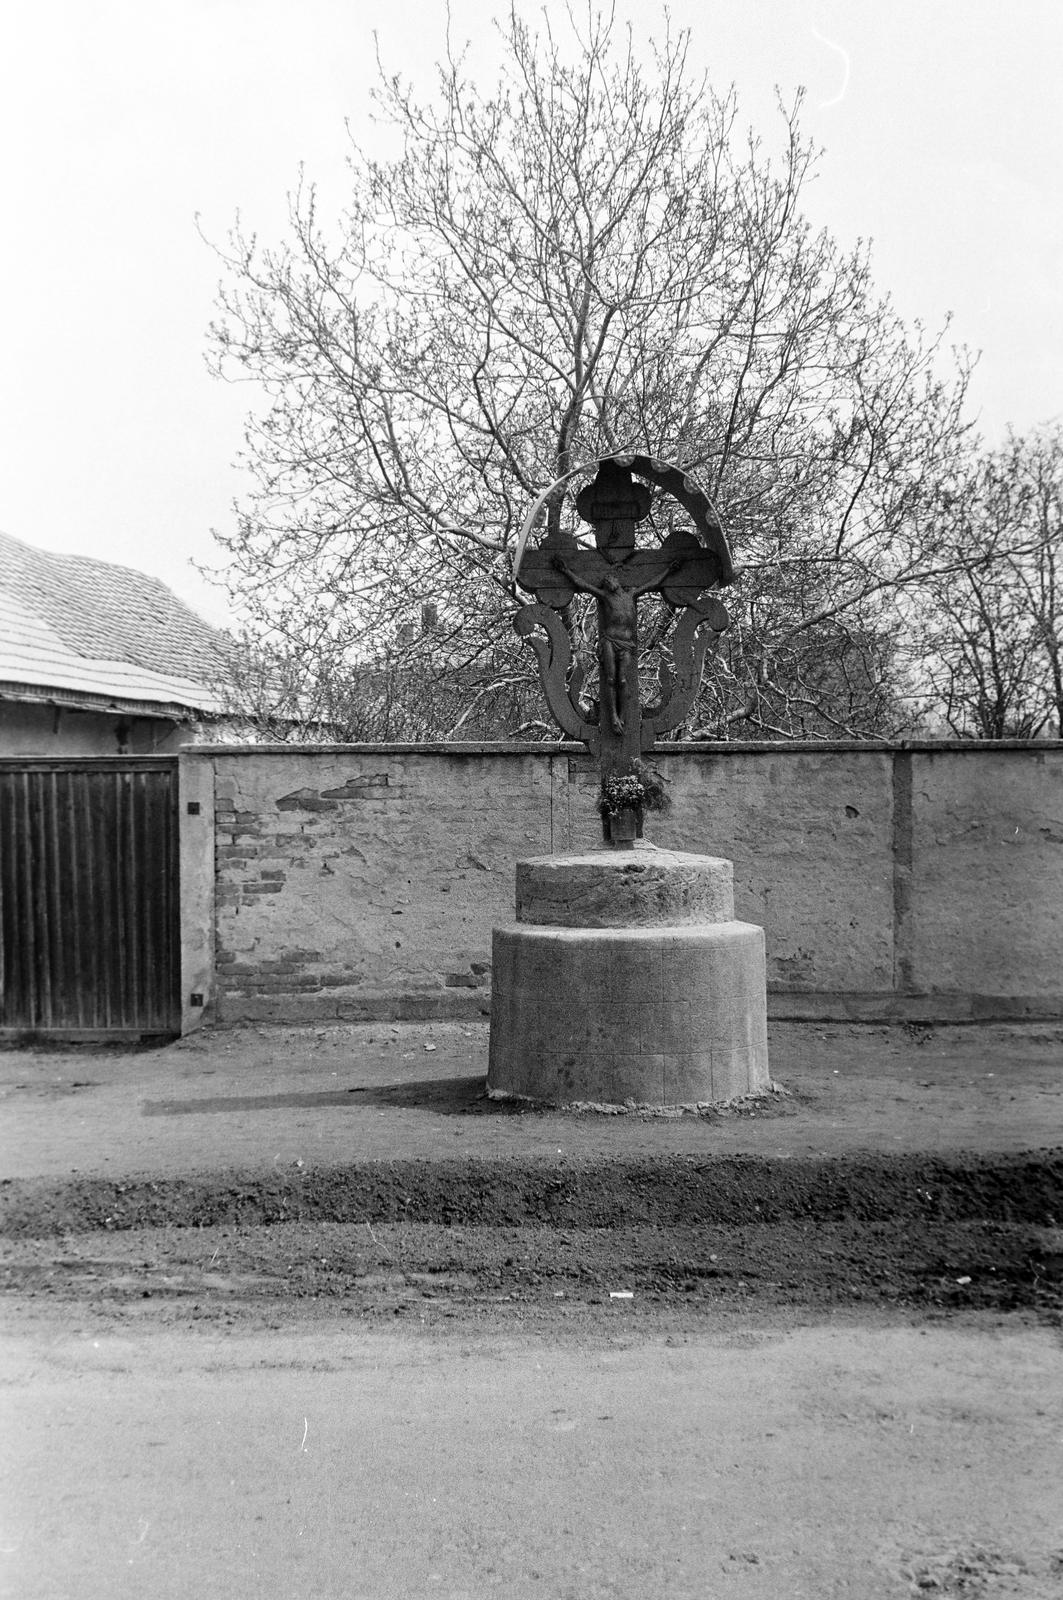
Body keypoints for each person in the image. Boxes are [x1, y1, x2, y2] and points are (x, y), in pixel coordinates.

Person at [553, 555, 679, 735]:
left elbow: (652, 583)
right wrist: (565, 570)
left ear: (616, 581)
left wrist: (669, 570)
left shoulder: (631, 595)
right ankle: (612, 716)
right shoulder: (605, 596)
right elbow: (583, 584)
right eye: (605, 582)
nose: (607, 583)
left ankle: (623, 716)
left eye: (609, 579)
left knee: (622, 679)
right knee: (611, 679)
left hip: (626, 643)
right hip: (610, 641)